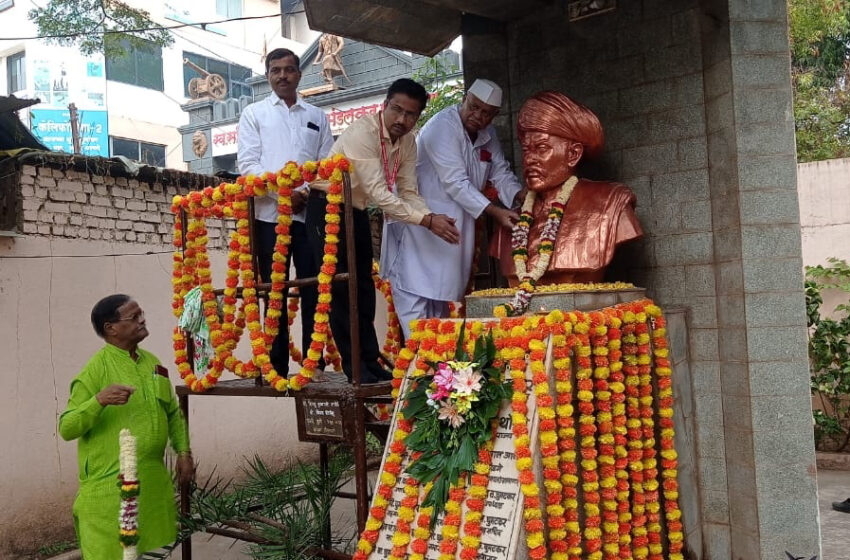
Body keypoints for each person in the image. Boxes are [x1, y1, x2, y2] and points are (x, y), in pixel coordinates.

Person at [306, 78, 460, 382]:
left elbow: (408, 190)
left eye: (410, 114)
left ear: (418, 118)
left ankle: (371, 362)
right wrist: (427, 222)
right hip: (327, 206)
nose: (402, 120)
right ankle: (355, 368)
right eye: (397, 110)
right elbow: (380, 193)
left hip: (358, 210)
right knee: (342, 288)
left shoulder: (408, 142)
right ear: (384, 105)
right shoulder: (363, 132)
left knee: (364, 287)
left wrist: (431, 215)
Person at [381, 79, 522, 338]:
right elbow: (456, 181)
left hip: (454, 231)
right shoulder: (442, 127)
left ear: (495, 115)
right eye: (473, 107)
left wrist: (521, 198)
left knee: (440, 308)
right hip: (421, 226)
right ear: (465, 98)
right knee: (414, 297)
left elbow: (501, 173)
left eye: (485, 113)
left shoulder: (488, 136)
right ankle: (420, 368)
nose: (477, 116)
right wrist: (496, 212)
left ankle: (440, 373)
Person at [59, 294, 193, 559]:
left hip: (152, 484)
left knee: (148, 549)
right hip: (110, 489)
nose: (142, 320)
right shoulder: (94, 371)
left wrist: (184, 452)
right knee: (111, 552)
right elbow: (67, 427)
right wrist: (99, 400)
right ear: (111, 328)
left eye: (141, 313)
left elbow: (172, 413)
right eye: (134, 317)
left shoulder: (153, 362)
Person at [238, 47, 334, 376]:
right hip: (268, 217)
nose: (282, 75)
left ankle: (314, 362)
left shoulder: (316, 115)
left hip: (309, 218)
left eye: (289, 69)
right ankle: (275, 364)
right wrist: (282, 195)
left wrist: (303, 192)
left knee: (313, 287)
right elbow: (248, 165)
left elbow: (326, 164)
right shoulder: (254, 113)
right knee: (272, 289)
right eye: (276, 70)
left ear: (298, 74)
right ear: (267, 76)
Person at [490, 90, 643, 284]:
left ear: (573, 154)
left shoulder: (610, 205)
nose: (529, 159)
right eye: (526, 149)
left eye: (542, 148)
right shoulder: (511, 222)